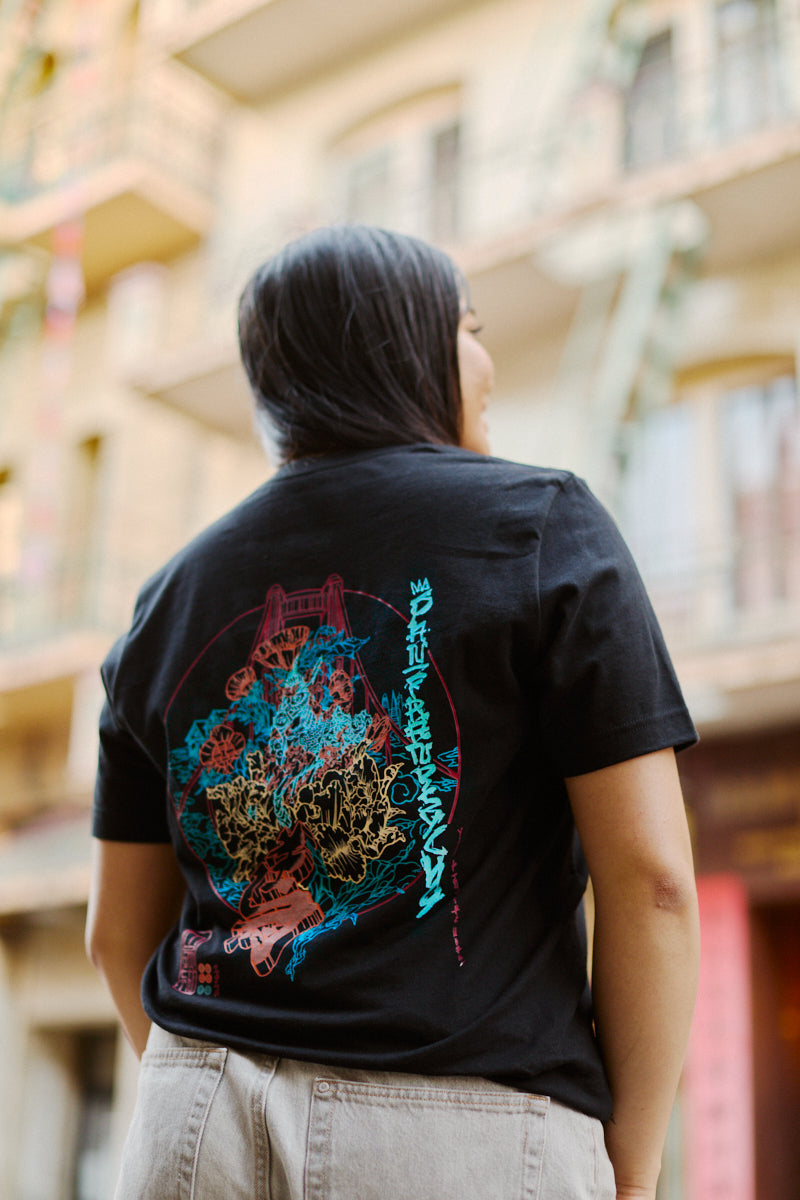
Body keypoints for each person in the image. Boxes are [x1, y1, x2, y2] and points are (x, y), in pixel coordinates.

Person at [87, 224, 700, 1200]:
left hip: (195, 1115)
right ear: (407, 347)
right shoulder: (539, 524)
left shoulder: (171, 594)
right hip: (475, 1136)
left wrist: (199, 1087)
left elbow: (117, 936)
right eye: (468, 329)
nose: (485, 363)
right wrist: (630, 1158)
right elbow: (653, 884)